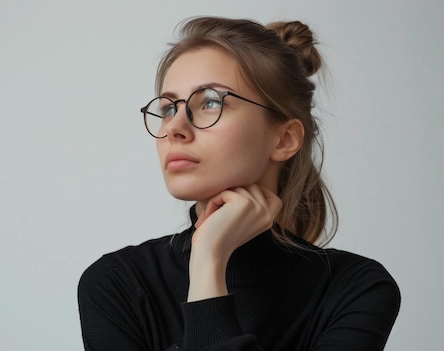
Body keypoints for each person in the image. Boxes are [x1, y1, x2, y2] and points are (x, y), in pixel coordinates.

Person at [77, 16, 400, 350]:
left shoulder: (356, 289)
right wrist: (207, 259)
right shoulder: (116, 284)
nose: (174, 127)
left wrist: (208, 264)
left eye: (211, 102)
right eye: (168, 107)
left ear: (284, 139)